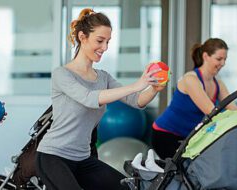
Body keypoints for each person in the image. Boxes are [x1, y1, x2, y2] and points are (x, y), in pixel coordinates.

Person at [35, 8, 166, 190]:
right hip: (53, 157)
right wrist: (137, 84)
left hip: (82, 159)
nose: (104, 47)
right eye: (100, 41)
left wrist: (154, 88)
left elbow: (137, 101)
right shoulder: (62, 74)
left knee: (125, 188)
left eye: (108, 42)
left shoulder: (103, 78)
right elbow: (89, 98)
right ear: (82, 37)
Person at [151, 38, 237, 159]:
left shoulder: (218, 83)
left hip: (189, 137)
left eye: (225, 59)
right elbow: (211, 112)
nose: (223, 63)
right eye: (219, 59)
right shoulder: (191, 79)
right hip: (166, 135)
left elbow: (233, 108)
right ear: (205, 56)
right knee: (187, 170)